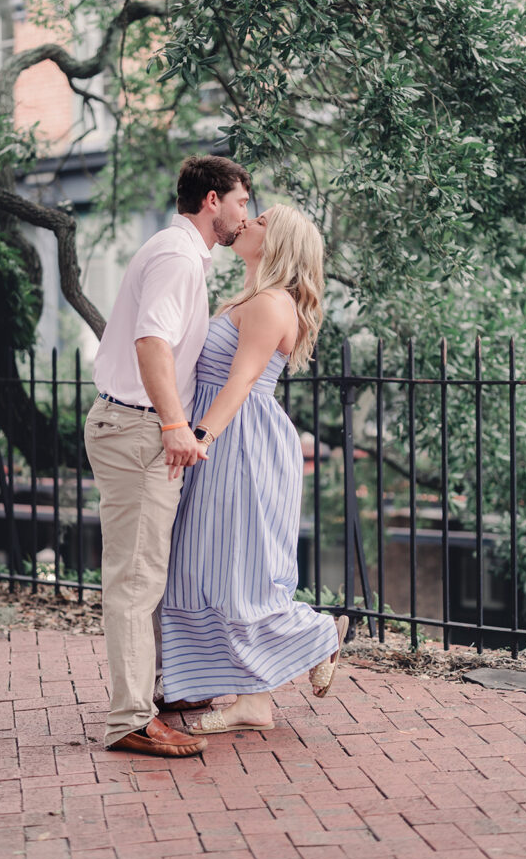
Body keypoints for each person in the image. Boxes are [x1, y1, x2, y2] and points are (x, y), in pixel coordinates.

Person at [84, 154, 250, 756]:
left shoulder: (177, 253)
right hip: (138, 430)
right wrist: (176, 424)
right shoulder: (179, 258)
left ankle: (156, 691)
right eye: (239, 202)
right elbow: (150, 340)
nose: (243, 215)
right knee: (135, 578)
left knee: (148, 571)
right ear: (212, 201)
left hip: (133, 427)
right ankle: (129, 718)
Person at [160, 204, 349, 733]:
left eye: (261, 220)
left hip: (240, 443)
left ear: (279, 243)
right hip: (223, 440)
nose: (247, 222)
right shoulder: (247, 297)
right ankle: (244, 689)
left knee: (240, 571)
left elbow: (241, 381)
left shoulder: (270, 303)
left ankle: (303, 651)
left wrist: (199, 437)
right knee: (206, 567)